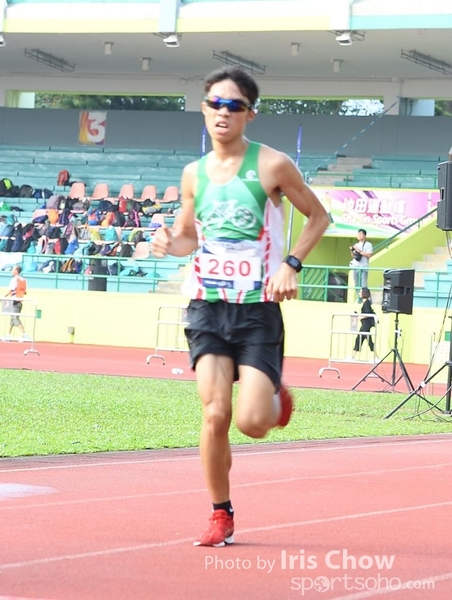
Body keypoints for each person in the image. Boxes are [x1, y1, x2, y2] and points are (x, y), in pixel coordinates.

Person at [151, 65, 329, 547]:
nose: (222, 113)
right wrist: (169, 243)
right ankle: (220, 513)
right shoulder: (193, 174)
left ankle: (273, 399)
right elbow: (188, 237)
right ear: (204, 109)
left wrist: (290, 264)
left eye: (233, 106)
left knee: (252, 423)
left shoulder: (272, 165)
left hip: (256, 309)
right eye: (215, 104)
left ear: (250, 113)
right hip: (207, 305)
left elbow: (319, 216)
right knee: (215, 415)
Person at [4, 264, 29, 340]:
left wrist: (3, 297)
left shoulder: (14, 280)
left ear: (16, 271)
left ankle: (25, 334)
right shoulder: (23, 280)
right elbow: (25, 292)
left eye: (13, 269)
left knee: (15, 318)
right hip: (20, 302)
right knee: (13, 318)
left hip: (14, 301)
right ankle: (8, 335)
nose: (12, 271)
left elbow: (10, 290)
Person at [352, 287, 376, 359]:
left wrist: (359, 317)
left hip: (365, 326)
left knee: (368, 342)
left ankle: (377, 358)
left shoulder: (366, 303)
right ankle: (352, 357)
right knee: (358, 341)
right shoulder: (365, 303)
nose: (359, 293)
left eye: (361, 292)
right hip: (364, 326)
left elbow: (367, 314)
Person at [349, 228, 373, 294]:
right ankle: (358, 297)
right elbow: (353, 256)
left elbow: (369, 255)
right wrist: (352, 250)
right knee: (356, 284)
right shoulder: (356, 245)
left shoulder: (368, 244)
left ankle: (364, 297)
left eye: (361, 234)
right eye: (358, 234)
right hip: (355, 266)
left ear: (365, 236)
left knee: (363, 284)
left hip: (363, 267)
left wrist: (358, 250)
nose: (359, 235)